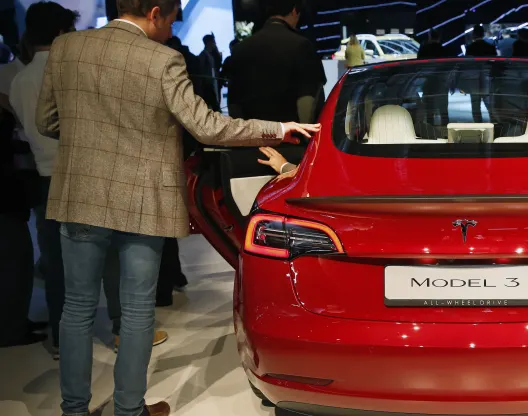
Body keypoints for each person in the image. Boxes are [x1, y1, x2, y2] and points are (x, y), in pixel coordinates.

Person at [35, 0, 319, 414]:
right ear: (155, 12)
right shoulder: (162, 59)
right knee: (136, 310)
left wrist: (92, 137)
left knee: (77, 307)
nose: (171, 31)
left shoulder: (66, 48)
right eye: (170, 20)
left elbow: (46, 122)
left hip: (80, 192)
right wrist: (278, 128)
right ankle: (129, 410)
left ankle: (73, 410)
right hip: (144, 196)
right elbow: (206, 126)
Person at [7, 0, 77, 359]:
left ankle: (64, 338)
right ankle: (114, 327)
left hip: (43, 176)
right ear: (62, 32)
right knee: (100, 256)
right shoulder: (70, 73)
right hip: (78, 174)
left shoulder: (19, 80)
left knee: (54, 263)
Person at [0, 33, 46, 349]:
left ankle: (16, 323)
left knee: (17, 259)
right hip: (5, 194)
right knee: (14, 261)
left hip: (11, 192)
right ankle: (11, 329)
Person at [229, 0, 326, 124]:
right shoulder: (302, 45)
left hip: (252, 133)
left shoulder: (239, 50)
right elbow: (308, 99)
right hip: (290, 133)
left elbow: (234, 104)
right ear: (294, 11)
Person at [417, 30, 452, 130]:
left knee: (429, 111)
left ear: (429, 37)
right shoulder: (444, 50)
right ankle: (445, 133)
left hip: (428, 83)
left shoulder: (424, 50)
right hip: (442, 83)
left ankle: (430, 133)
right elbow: (449, 67)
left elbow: (419, 65)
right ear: (439, 37)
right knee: (443, 111)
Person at [198, 34, 220, 111]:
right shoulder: (203, 55)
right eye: (213, 41)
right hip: (207, 85)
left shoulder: (210, 54)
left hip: (212, 83)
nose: (215, 43)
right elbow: (201, 70)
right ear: (209, 42)